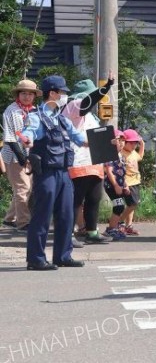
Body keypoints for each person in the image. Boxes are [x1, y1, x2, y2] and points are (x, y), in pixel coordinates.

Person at [20, 75, 87, 270]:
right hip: (47, 173)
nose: (65, 95)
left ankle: (63, 256)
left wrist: (106, 143)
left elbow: (79, 138)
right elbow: (29, 133)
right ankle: (36, 259)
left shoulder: (62, 119)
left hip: (64, 173)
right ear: (53, 93)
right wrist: (27, 141)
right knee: (42, 215)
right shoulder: (35, 116)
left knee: (66, 215)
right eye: (63, 92)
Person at [62, 75, 114, 245]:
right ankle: (67, 235)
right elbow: (87, 103)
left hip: (94, 163)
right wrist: (106, 87)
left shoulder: (91, 116)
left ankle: (92, 231)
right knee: (75, 202)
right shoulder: (72, 107)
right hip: (76, 163)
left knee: (94, 199)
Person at [2, 79, 41, 232]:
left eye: (30, 94)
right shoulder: (11, 111)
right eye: (23, 93)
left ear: (34, 96)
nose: (27, 97)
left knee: (26, 188)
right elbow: (10, 138)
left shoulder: (35, 111)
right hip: (13, 155)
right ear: (18, 94)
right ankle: (23, 222)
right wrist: (22, 158)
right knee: (23, 188)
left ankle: (9, 219)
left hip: (31, 154)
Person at [102, 129, 128, 241]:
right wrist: (116, 185)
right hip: (111, 185)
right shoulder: (110, 154)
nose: (122, 143)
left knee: (120, 206)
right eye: (119, 140)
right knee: (119, 206)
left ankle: (113, 227)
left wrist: (125, 185)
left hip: (119, 185)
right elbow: (109, 170)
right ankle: (110, 229)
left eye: (123, 140)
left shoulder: (121, 155)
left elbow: (122, 172)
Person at [120, 128, 144, 235]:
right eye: (131, 143)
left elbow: (140, 157)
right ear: (124, 142)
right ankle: (119, 222)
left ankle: (128, 225)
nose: (134, 145)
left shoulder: (133, 152)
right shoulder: (122, 154)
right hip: (128, 182)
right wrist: (124, 183)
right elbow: (120, 171)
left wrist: (142, 144)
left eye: (136, 143)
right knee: (133, 204)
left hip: (135, 181)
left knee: (131, 205)